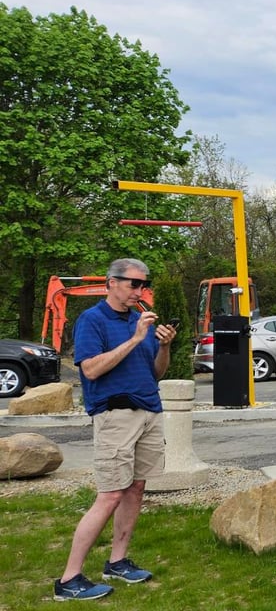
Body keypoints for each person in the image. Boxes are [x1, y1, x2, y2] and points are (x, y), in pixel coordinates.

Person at [54, 258, 177, 601]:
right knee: (109, 494)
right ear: (111, 283)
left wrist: (163, 345)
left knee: (136, 488)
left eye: (143, 284)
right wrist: (137, 338)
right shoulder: (92, 320)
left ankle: (117, 561)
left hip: (149, 410)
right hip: (114, 415)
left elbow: (156, 373)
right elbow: (91, 370)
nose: (139, 291)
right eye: (132, 284)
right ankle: (69, 579)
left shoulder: (142, 321)